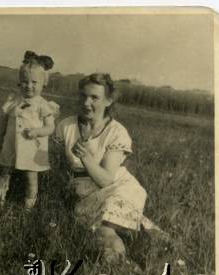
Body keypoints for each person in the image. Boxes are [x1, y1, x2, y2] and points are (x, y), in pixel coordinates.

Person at [55, 73, 165, 264]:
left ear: (108, 101)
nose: (86, 102)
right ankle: (150, 237)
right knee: (108, 227)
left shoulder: (117, 132)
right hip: (84, 192)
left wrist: (86, 159)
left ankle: (119, 261)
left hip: (116, 186)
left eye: (94, 98)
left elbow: (106, 179)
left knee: (105, 227)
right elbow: (56, 165)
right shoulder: (66, 126)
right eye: (83, 95)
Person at [0, 51, 60, 210]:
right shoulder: (13, 101)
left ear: (43, 83)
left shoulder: (43, 105)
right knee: (5, 172)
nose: (29, 86)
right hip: (11, 144)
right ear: (19, 82)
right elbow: (3, 123)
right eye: (24, 81)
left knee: (31, 177)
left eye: (34, 82)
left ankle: (28, 206)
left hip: (32, 147)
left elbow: (50, 127)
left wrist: (37, 131)